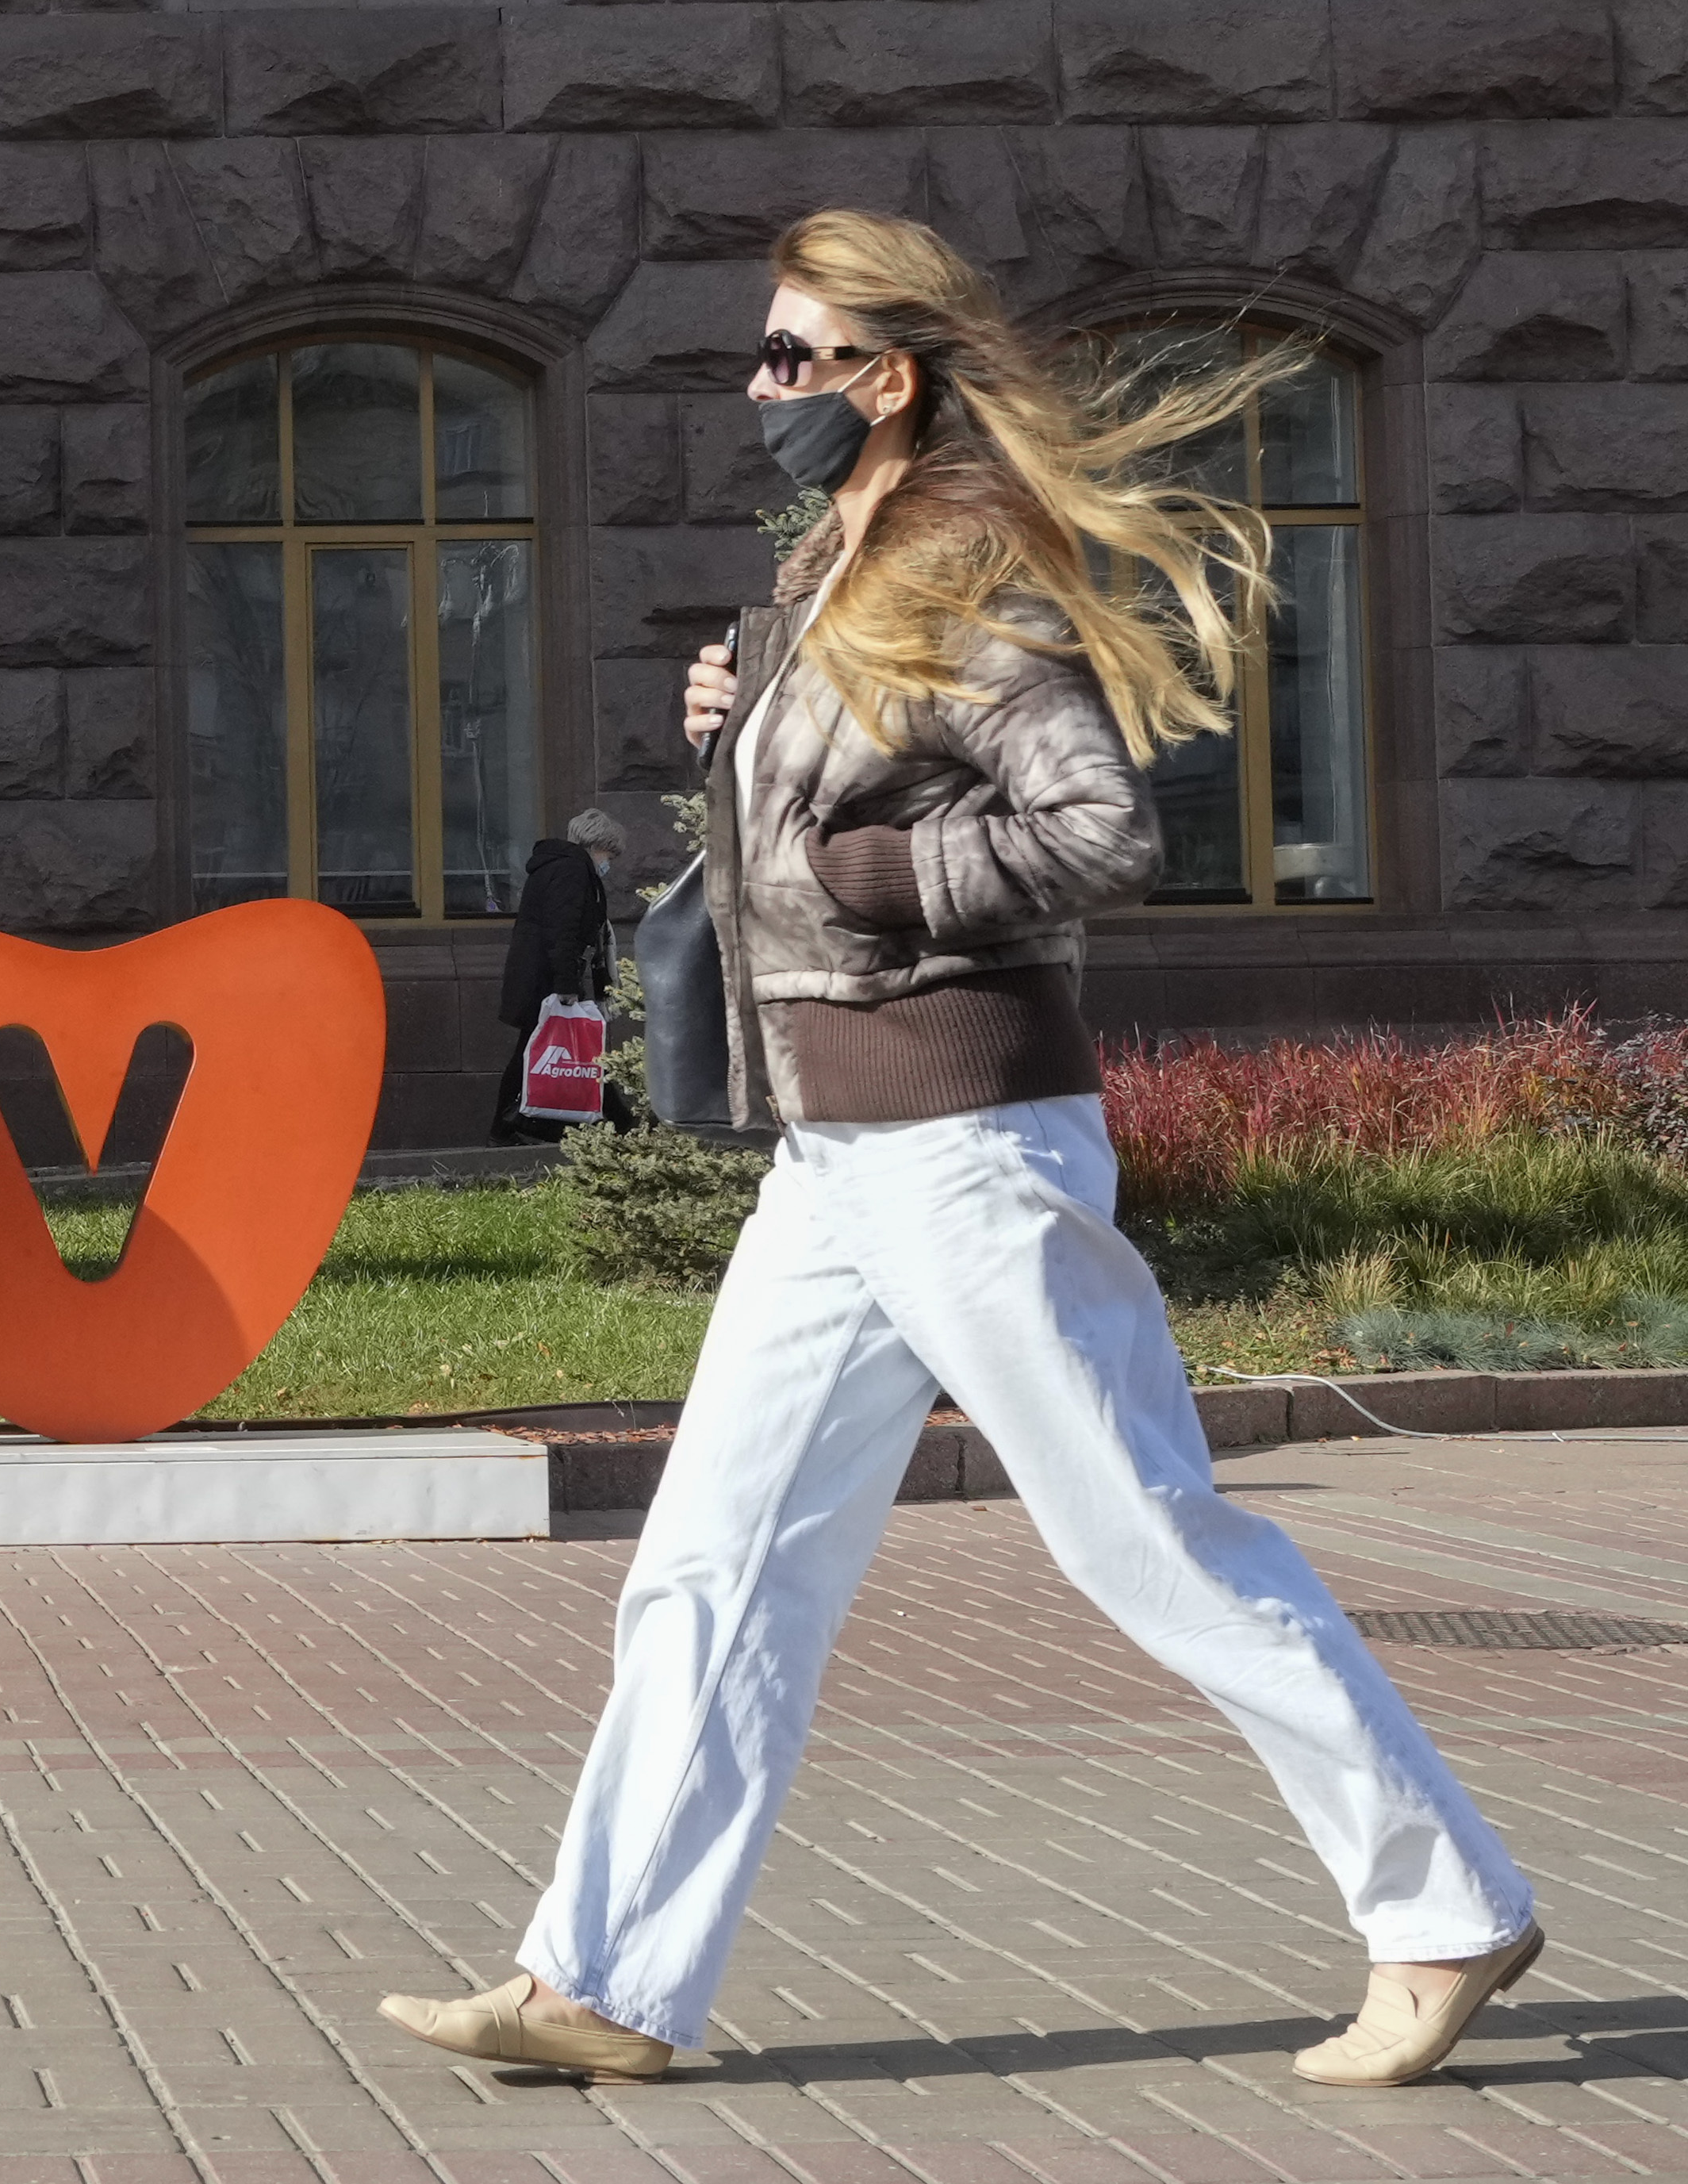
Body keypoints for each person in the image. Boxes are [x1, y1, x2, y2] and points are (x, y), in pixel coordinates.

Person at [378, 208, 1537, 2093]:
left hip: (966, 1134)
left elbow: (1095, 830)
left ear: (880, 373)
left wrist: (878, 867)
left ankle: (1442, 1909)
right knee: (711, 1566)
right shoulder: (842, 564)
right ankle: (601, 1982)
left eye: (786, 356)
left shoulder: (965, 556)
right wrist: (738, 715)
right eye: (758, 356)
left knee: (1147, 1533)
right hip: (833, 1157)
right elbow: (847, 771)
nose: (757, 390)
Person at [490, 809, 627, 1144]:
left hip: (541, 976)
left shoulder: (557, 867)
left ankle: (512, 1126)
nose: (608, 863)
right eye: (609, 855)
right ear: (598, 845)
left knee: (539, 1051)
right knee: (570, 1050)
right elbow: (562, 931)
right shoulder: (572, 870)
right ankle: (626, 1124)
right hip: (548, 980)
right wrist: (567, 986)